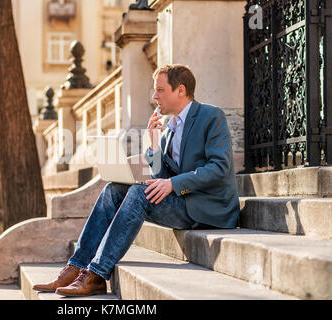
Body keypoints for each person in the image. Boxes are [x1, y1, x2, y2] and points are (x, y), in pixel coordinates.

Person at [33, 64, 240, 297]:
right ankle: (77, 266)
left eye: (160, 90)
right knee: (114, 190)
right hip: (183, 202)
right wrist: (153, 144)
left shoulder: (211, 116)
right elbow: (161, 176)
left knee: (138, 194)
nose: (154, 97)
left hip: (209, 207)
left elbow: (219, 167)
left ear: (180, 90)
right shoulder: (169, 129)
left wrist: (174, 184)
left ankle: (97, 274)